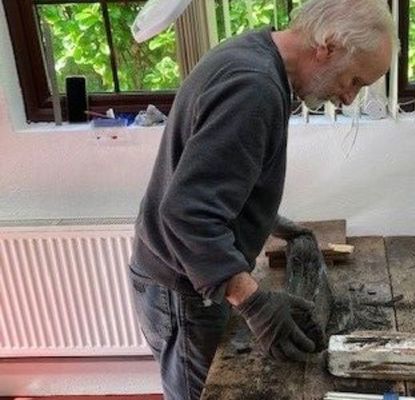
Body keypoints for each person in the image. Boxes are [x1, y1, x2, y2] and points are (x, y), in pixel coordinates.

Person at [127, 0, 398, 398]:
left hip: (183, 276)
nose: (349, 99)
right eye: (354, 80)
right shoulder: (254, 88)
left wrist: (265, 216)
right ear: (328, 46)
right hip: (181, 289)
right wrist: (253, 302)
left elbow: (215, 175)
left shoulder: (254, 54)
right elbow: (186, 213)